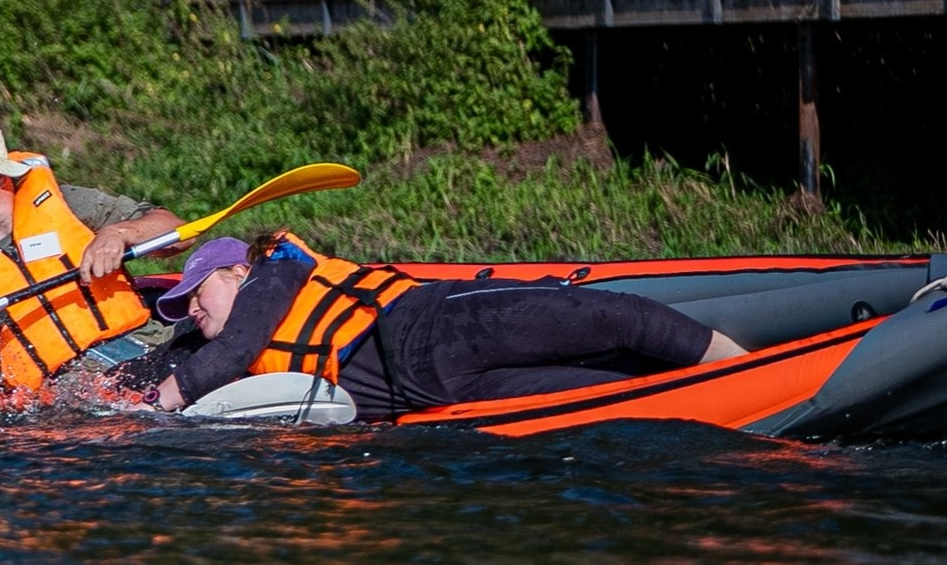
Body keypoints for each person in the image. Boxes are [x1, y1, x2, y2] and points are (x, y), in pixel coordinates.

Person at [152, 231, 748, 419]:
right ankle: (741, 399)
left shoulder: (275, 267)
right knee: (615, 391)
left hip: (432, 325)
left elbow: (236, 348)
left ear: (237, 271)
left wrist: (164, 402)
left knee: (616, 318)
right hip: (429, 393)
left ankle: (741, 364)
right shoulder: (222, 366)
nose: (193, 311)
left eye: (197, 294)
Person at [0, 120, 184, 392]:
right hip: (62, 398)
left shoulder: (68, 204)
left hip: (144, 353)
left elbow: (179, 234)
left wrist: (119, 233)